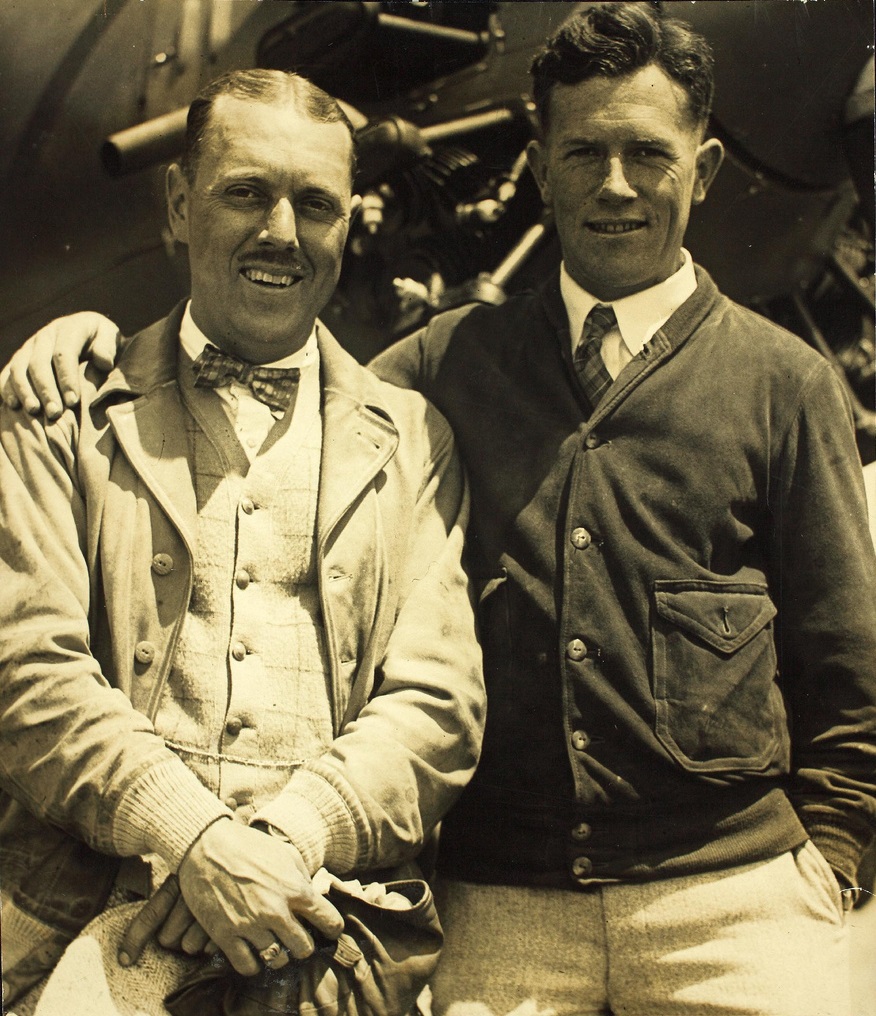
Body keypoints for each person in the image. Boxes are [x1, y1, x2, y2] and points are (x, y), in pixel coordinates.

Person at [4, 5, 876, 1015]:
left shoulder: (781, 381)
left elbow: (845, 658)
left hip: (728, 904)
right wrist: (77, 342)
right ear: (540, 171)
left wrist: (832, 864)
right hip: (498, 917)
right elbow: (33, 657)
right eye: (585, 153)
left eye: (648, 153)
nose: (618, 185)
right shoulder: (434, 373)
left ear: (706, 170)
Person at [0, 69, 484, 1014]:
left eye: (314, 205)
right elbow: (27, 672)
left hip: (322, 926)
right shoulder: (62, 413)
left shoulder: (413, 439)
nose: (281, 233)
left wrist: (280, 844)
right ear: (179, 205)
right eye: (245, 194)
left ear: (348, 224)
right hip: (92, 922)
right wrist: (194, 841)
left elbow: (437, 704)